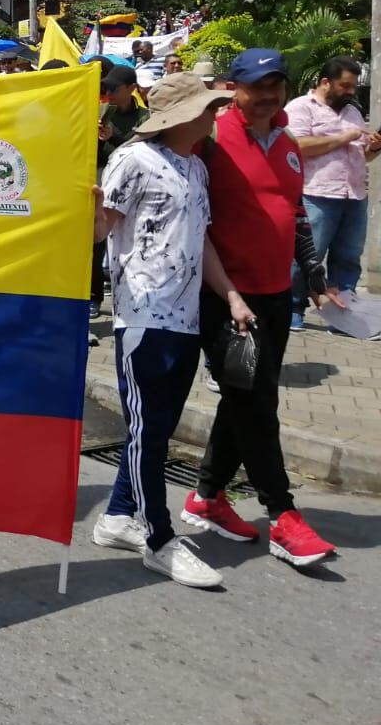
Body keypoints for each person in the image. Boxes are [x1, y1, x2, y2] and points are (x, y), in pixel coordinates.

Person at [182, 49, 345, 568]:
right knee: (256, 404)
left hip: (276, 295)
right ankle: (283, 516)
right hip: (226, 296)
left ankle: (206, 496)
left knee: (242, 398)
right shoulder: (210, 141)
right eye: (257, 86)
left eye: (276, 86)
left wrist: (314, 277)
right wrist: (224, 290)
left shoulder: (289, 141)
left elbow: (294, 213)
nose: (268, 96)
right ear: (234, 88)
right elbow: (194, 220)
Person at [92, 73, 250, 588]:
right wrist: (89, 209)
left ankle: (117, 517)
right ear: (181, 116)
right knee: (146, 431)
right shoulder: (131, 160)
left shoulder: (197, 169)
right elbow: (101, 230)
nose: (215, 117)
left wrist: (229, 293)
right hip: (141, 314)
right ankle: (158, 538)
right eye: (209, 109)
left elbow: (200, 239)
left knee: (156, 429)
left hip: (186, 316)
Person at [285, 55, 381, 327]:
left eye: (353, 87)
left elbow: (361, 156)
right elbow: (297, 147)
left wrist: (373, 147)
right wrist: (342, 138)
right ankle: (294, 307)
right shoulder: (301, 108)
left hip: (353, 195)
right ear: (325, 82)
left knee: (349, 257)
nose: (351, 92)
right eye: (346, 86)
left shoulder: (352, 112)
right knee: (307, 257)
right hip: (316, 194)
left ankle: (343, 315)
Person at [93, 66, 147, 318]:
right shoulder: (102, 112)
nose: (109, 93)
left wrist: (113, 139)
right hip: (102, 180)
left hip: (133, 189)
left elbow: (141, 151)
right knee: (97, 241)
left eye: (114, 88)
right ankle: (94, 296)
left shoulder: (146, 118)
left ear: (131, 89)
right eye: (106, 88)